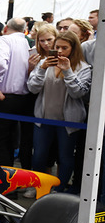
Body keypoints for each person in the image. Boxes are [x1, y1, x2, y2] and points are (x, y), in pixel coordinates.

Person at [27, 31, 91, 192]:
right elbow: (32, 88)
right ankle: (38, 187)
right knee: (39, 155)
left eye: (65, 48)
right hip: (44, 118)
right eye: (57, 47)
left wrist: (68, 71)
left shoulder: (83, 67)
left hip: (69, 121)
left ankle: (58, 189)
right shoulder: (44, 63)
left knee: (65, 157)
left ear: (73, 48)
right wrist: (41, 69)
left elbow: (78, 93)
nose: (60, 51)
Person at [0, 17, 34, 169]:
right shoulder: (26, 42)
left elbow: (0, 62)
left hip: (4, 97)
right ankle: (12, 174)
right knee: (13, 139)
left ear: (6, 28)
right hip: (23, 98)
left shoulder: (5, 40)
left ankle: (4, 177)